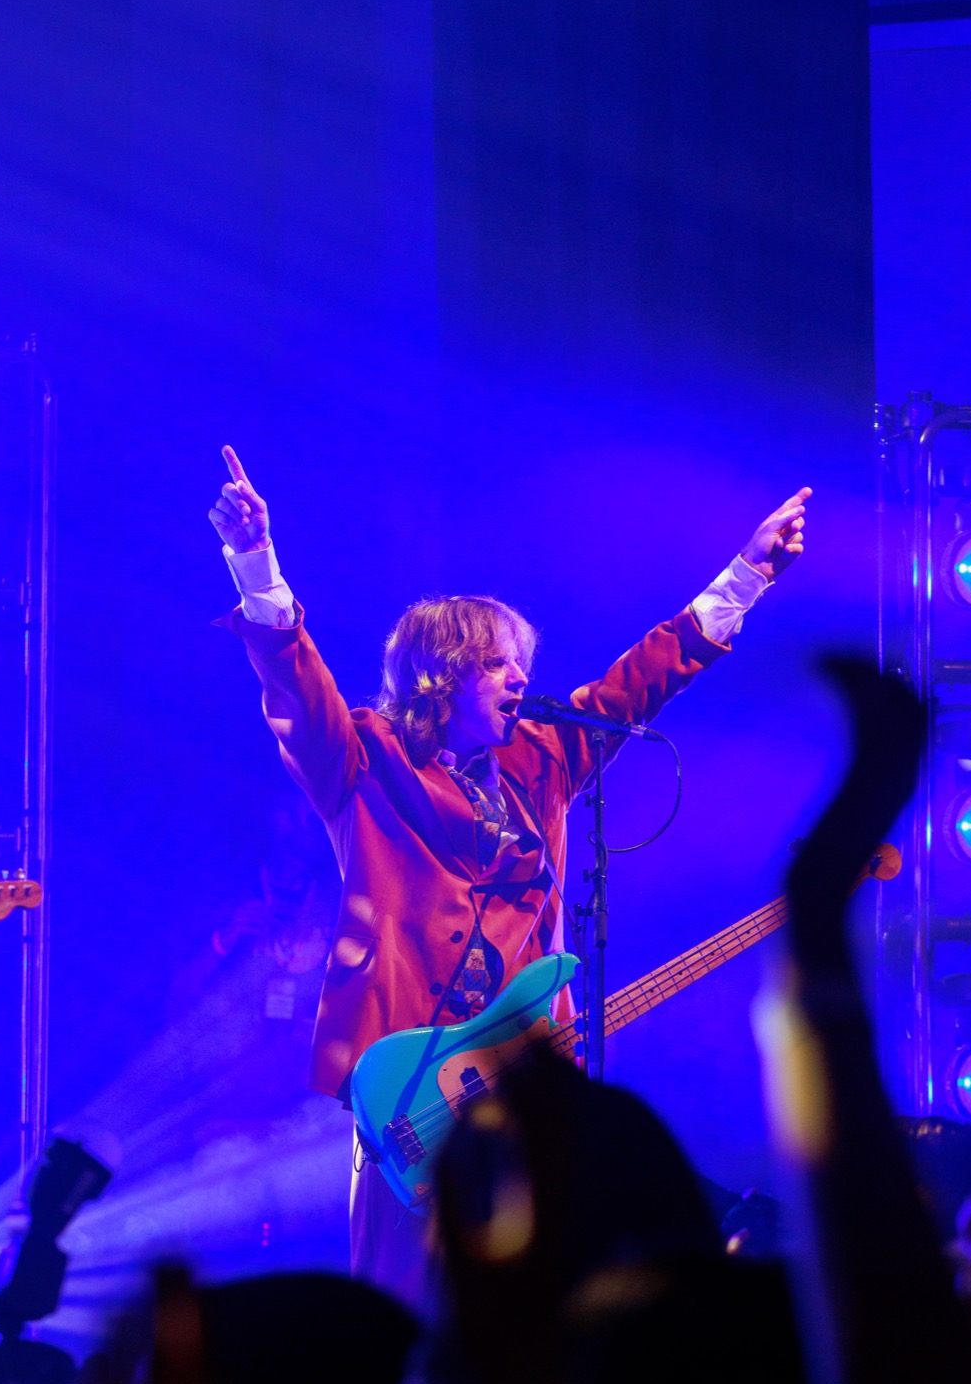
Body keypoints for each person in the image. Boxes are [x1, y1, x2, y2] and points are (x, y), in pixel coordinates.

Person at [210, 446, 810, 1309]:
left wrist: (746, 575)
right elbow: (297, 691)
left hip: (529, 1078)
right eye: (497, 663)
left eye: (520, 661)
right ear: (441, 675)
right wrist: (255, 560)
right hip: (414, 1083)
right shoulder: (368, 759)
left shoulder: (543, 759)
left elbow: (635, 686)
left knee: (540, 1298)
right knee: (406, 1300)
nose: (521, 677)